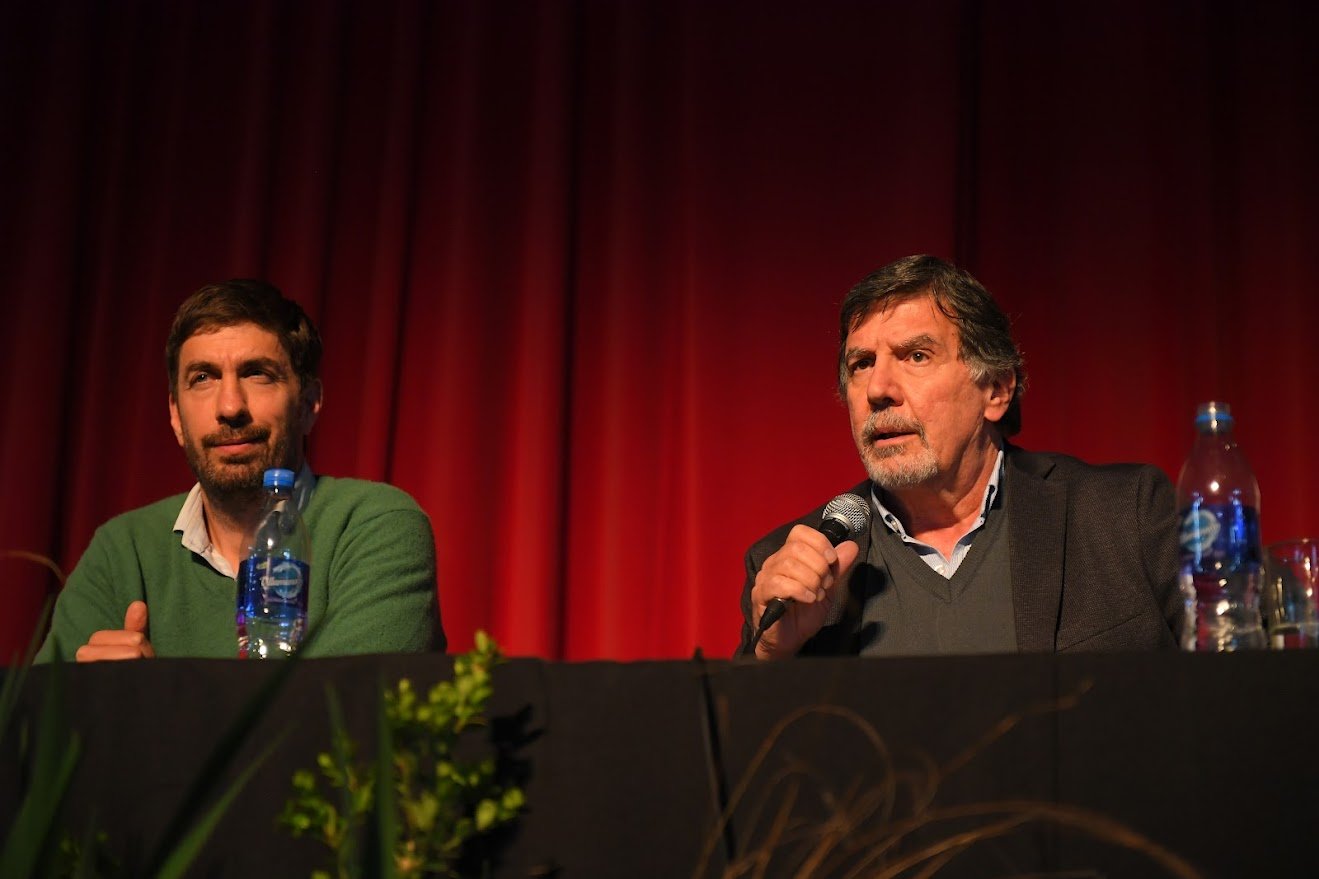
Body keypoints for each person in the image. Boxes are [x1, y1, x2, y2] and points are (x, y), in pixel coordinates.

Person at [740, 255, 1182, 659]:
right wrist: (773, 657)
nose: (878, 389)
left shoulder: (1125, 517)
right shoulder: (792, 574)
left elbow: (1235, 683)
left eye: (916, 355)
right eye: (861, 364)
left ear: (995, 390)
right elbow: (738, 741)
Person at [36, 279, 444, 662]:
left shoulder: (374, 525)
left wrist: (151, 699)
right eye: (202, 378)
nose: (229, 407)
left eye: (257, 374)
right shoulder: (121, 550)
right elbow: (35, 726)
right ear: (176, 415)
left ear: (308, 403)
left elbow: (348, 716)